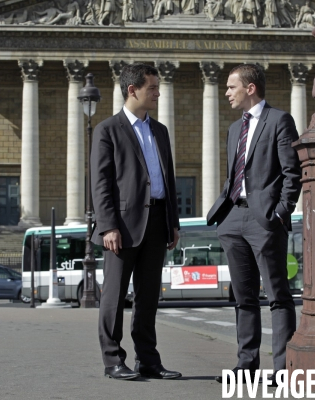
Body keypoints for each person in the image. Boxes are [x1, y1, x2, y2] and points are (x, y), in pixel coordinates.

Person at [206, 64, 301, 384]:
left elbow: (292, 172)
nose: (227, 92)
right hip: (233, 216)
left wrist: (281, 211)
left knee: (277, 294)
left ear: (250, 88)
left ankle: (283, 369)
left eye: (231, 87)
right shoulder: (235, 129)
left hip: (264, 218)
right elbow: (234, 174)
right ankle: (246, 366)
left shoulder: (279, 121)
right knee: (243, 296)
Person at [91, 63, 181, 381]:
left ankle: (148, 360)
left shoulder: (160, 131)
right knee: (114, 296)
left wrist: (173, 222)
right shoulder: (108, 130)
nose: (157, 93)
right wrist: (108, 225)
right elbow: (101, 183)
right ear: (134, 90)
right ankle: (113, 359)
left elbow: (168, 180)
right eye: (153, 88)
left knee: (148, 296)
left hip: (157, 220)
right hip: (123, 225)